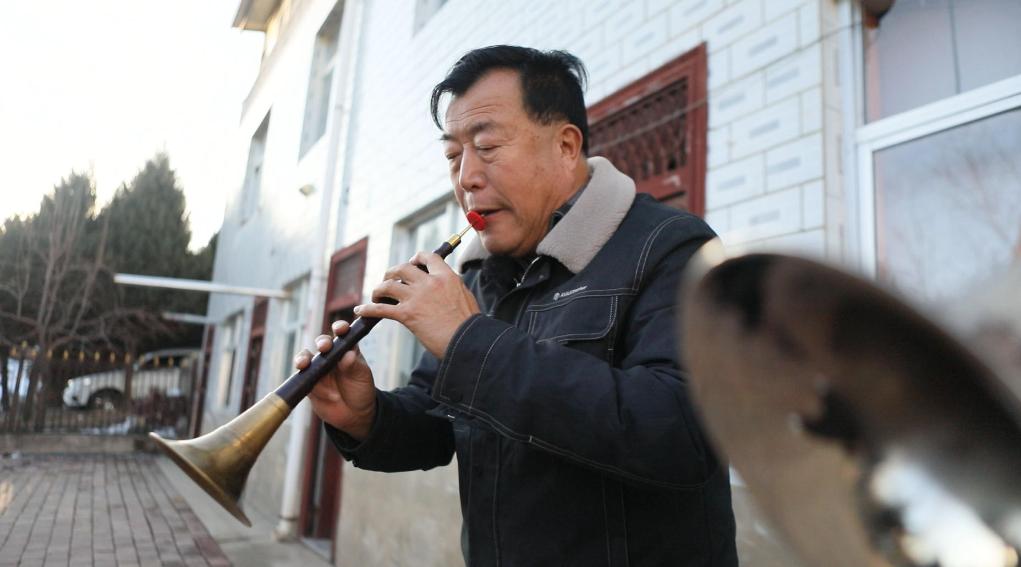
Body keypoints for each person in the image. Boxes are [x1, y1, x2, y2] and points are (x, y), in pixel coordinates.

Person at [294, 45, 737, 566]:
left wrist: (470, 342)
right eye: (453, 157)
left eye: (487, 146)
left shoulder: (671, 246)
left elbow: (684, 435)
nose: (466, 178)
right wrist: (366, 416)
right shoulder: (483, 275)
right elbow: (439, 422)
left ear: (566, 146)